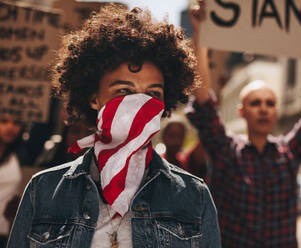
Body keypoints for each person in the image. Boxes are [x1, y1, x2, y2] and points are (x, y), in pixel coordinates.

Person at [7, 3, 221, 248]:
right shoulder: (43, 191)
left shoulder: (194, 197)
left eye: (153, 94)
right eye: (123, 91)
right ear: (94, 97)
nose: (140, 104)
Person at [187, 1, 301, 247]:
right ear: (242, 111)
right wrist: (200, 36)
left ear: (276, 111)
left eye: (270, 103)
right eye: (255, 103)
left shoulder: (289, 152)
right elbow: (203, 101)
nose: (263, 109)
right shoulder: (225, 151)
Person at [0, 115, 23, 248]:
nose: (10, 127)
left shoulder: (22, 154)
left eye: (17, 122)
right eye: (3, 121)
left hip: (5, 233)